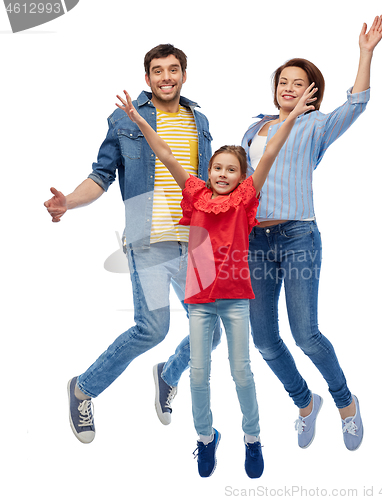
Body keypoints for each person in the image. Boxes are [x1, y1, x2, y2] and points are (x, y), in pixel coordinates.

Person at [155, 15, 382, 453]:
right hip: (252, 244)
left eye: (298, 83)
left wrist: (365, 53)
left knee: (306, 335)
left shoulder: (315, 126)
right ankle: (304, 404)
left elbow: (356, 104)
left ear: (311, 92)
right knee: (264, 340)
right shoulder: (253, 128)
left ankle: (345, 404)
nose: (288, 88)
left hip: (298, 236)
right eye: (283, 81)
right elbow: (231, 180)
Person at [116, 81, 318, 477]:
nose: (223, 174)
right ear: (208, 171)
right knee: (199, 374)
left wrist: (291, 117)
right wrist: (139, 119)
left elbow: (271, 152)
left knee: (241, 369)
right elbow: (166, 155)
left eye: (231, 170)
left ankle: (253, 438)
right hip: (199, 301)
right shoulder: (194, 193)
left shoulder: (245, 199)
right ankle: (206, 439)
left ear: (241, 176)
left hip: (235, 299)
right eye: (217, 168)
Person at [43, 44, 221, 444]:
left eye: (173, 70)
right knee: (152, 329)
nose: (166, 78)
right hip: (150, 240)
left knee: (212, 332)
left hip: (196, 242)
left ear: (184, 75)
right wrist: (68, 202)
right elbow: (101, 176)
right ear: (147, 79)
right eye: (157, 71)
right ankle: (83, 389)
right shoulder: (126, 121)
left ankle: (167, 374)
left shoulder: (200, 120)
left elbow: (208, 184)